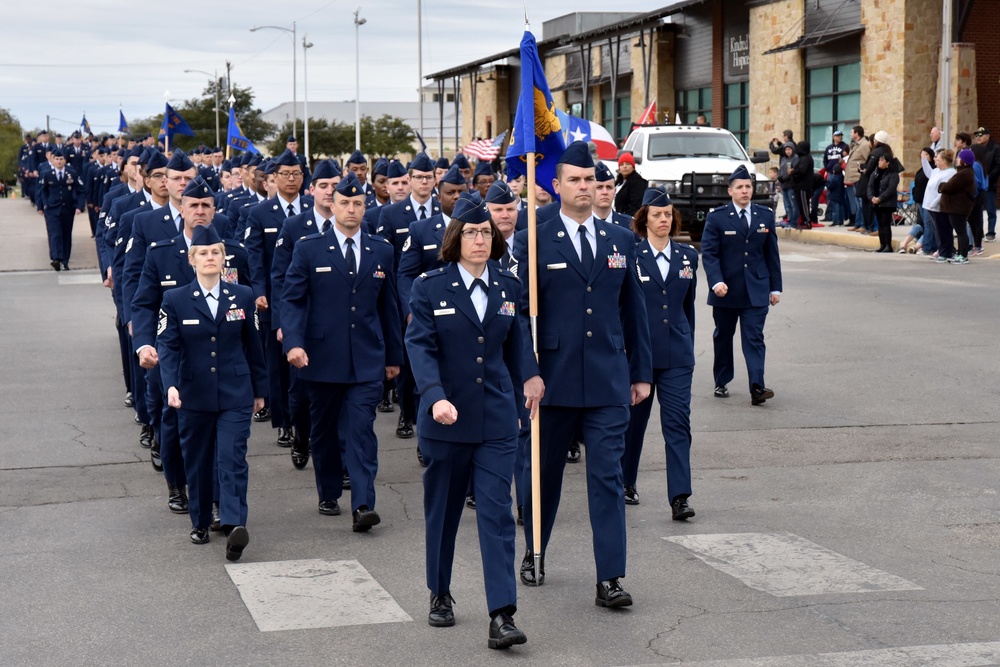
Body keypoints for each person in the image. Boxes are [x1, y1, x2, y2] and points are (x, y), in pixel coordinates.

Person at [513, 141, 652, 607]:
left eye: (590, 179)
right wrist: (528, 373)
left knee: (608, 478)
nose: (585, 187)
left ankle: (610, 577)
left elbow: (635, 311)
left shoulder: (620, 240)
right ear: (555, 186)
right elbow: (519, 315)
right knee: (544, 474)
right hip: (552, 380)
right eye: (574, 179)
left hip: (609, 379)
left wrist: (640, 373)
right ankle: (535, 549)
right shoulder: (533, 234)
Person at [405, 194, 527, 649]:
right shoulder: (429, 287)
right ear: (454, 239)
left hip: (496, 417)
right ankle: (440, 592)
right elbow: (420, 346)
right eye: (472, 232)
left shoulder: (508, 285)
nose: (480, 239)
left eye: (486, 232)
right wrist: (434, 396)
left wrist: (528, 387)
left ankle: (502, 613)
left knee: (496, 513)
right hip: (446, 419)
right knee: (445, 511)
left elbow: (517, 348)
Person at [281, 172, 403, 531]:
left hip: (367, 358)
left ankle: (363, 503)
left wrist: (393, 357)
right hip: (321, 358)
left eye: (358, 204)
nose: (352, 209)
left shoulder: (381, 250)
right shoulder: (309, 248)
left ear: (367, 207)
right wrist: (294, 342)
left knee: (361, 431)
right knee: (323, 430)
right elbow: (293, 300)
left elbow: (389, 307)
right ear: (331, 207)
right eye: (345, 203)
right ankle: (329, 490)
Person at [157, 223, 266, 559]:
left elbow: (254, 347)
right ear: (192, 260)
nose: (209, 258)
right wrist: (171, 385)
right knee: (200, 460)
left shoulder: (243, 295)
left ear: (224, 259)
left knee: (232, 457)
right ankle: (201, 520)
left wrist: (260, 391)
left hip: (236, 391)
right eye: (203, 253)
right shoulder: (175, 299)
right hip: (194, 393)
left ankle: (234, 525)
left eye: (215, 253)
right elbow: (168, 345)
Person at [622, 187, 697, 519]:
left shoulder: (687, 256)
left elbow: (688, 306)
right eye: (657, 215)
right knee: (634, 422)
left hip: (678, 355)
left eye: (668, 214)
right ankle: (626, 482)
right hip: (642, 353)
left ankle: (680, 496)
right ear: (645, 219)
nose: (663, 220)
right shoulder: (632, 256)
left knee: (678, 423)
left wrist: (687, 341)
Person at [701, 165, 782, 404]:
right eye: (740, 187)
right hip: (726, 290)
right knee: (723, 336)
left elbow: (772, 255)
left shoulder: (765, 215)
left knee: (754, 337)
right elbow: (710, 253)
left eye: (748, 186)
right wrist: (716, 282)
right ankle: (722, 380)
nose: (745, 191)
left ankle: (757, 386)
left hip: (756, 289)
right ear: (730, 191)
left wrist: (775, 288)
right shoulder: (717, 217)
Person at [35, 148, 84, 271]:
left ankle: (65, 260)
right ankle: (56, 258)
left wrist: (79, 206)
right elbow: (42, 190)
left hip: (67, 209)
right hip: (52, 209)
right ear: (53, 160)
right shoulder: (47, 174)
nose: (59, 161)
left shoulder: (71, 173)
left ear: (65, 160)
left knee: (66, 235)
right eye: (56, 159)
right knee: (55, 234)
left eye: (61, 159)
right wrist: (42, 205)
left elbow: (80, 190)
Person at [938, 149, 978, 265]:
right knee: (959, 231)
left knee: (961, 232)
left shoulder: (964, 173)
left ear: (964, 161)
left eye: (959, 158)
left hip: (959, 207)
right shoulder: (962, 172)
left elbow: (949, 187)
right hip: (956, 207)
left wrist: (941, 186)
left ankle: (963, 255)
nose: (957, 160)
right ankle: (960, 253)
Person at [922, 149, 957, 262]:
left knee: (944, 230)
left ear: (944, 161)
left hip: (939, 206)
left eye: (938, 158)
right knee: (937, 230)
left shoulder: (950, 173)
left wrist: (934, 203)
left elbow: (943, 191)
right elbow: (928, 172)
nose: (935, 159)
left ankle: (946, 252)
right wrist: (923, 159)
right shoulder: (937, 171)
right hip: (930, 206)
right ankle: (942, 250)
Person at [868, 152, 900, 253]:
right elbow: (870, 186)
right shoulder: (875, 172)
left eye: (882, 160)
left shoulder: (893, 174)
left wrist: (880, 198)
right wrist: (871, 197)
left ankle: (888, 245)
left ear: (888, 163)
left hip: (887, 203)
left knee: (885, 224)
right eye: (879, 160)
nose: (879, 162)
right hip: (876, 202)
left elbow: (891, 189)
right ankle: (882, 244)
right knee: (880, 224)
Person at [971, 127, 999, 241]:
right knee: (977, 209)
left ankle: (991, 232)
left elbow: (998, 165)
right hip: (977, 184)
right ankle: (979, 232)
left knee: (990, 209)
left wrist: (988, 177)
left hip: (989, 183)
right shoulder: (975, 149)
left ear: (987, 136)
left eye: (981, 135)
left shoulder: (995, 148)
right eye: (977, 135)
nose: (979, 137)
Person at [846, 126, 872, 231]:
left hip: (859, 177)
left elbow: (867, 160)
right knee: (857, 202)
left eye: (852, 132)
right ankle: (857, 224)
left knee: (861, 203)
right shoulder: (855, 145)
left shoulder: (864, 145)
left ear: (857, 133)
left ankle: (863, 224)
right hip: (854, 177)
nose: (850, 134)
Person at [823, 130, 849, 226]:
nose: (839, 137)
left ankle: (839, 219)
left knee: (839, 197)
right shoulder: (829, 148)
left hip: (840, 173)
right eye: (837, 136)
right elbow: (825, 159)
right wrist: (827, 168)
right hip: (830, 173)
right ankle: (830, 216)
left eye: (841, 136)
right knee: (830, 196)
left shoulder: (844, 147)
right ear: (834, 137)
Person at [613, 152, 647, 216]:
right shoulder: (619, 182)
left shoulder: (637, 182)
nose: (624, 166)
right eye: (622, 164)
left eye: (628, 164)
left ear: (633, 167)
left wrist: (624, 216)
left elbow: (637, 205)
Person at [777, 142, 798, 225]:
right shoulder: (783, 159)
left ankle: (794, 220)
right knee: (787, 204)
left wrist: (787, 177)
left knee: (793, 203)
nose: (788, 151)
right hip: (783, 184)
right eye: (786, 149)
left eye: (789, 149)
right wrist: (779, 177)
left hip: (791, 184)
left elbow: (794, 171)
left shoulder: (795, 158)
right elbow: (781, 169)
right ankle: (789, 219)